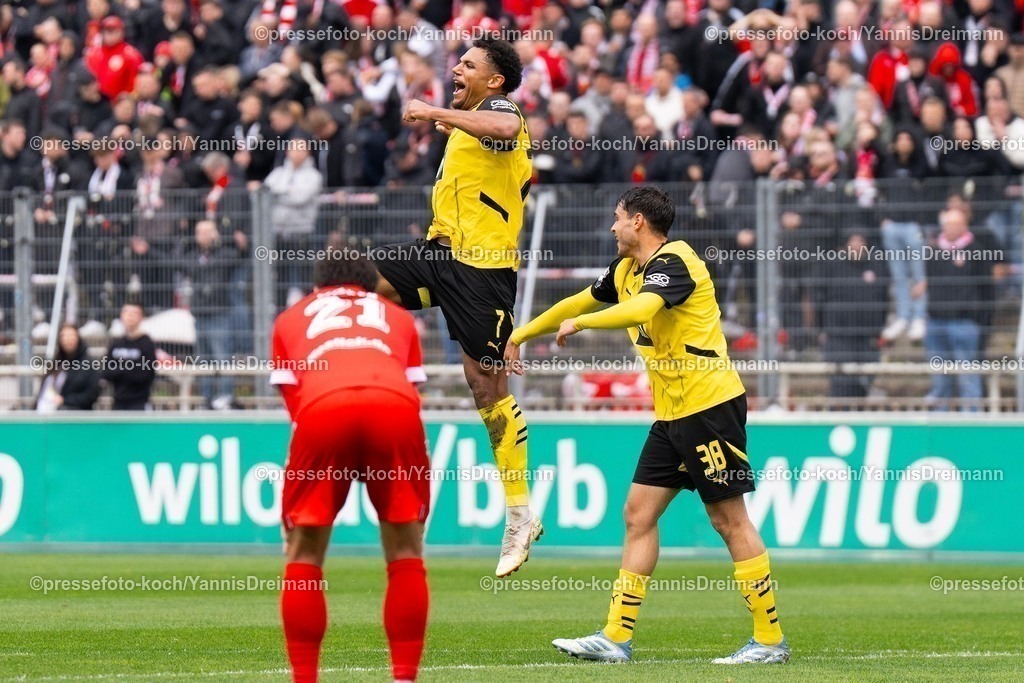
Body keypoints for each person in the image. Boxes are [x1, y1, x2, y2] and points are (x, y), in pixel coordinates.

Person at [505, 186, 789, 665]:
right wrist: (522, 333)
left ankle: (769, 640)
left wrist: (586, 325)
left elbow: (641, 309)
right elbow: (577, 302)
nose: (612, 227)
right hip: (672, 413)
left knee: (729, 519)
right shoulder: (624, 270)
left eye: (618, 218)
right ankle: (615, 638)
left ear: (638, 221)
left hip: (709, 406)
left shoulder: (676, 261)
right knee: (638, 514)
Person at [371, 36, 541, 577]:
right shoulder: (470, 125)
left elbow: (504, 130)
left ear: (495, 80)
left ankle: (520, 515)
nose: (457, 70)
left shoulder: (503, 111)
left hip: (483, 269)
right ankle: (381, 382)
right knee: (362, 280)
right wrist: (453, 123)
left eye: (469, 65)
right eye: (458, 62)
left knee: (485, 387)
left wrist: (433, 112)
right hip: (439, 253)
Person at [270, 252, 430, 683]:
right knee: (406, 550)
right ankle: (404, 677)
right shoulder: (398, 316)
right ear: (371, 285)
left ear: (317, 285)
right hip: (394, 406)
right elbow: (412, 389)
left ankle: (305, 678)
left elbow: (294, 402)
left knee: (304, 552)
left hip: (323, 409)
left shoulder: (290, 317)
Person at [101, 302, 157, 410]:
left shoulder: (146, 344)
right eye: (126, 312)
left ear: (141, 317)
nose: (130, 316)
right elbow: (106, 372)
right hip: (118, 401)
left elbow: (145, 374)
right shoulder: (116, 344)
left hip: (139, 402)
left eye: (134, 313)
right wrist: (129, 368)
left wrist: (120, 369)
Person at [35, 324, 101, 412]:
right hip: (45, 412)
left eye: (71, 336)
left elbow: (91, 395)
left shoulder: (89, 364)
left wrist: (65, 400)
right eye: (64, 336)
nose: (67, 340)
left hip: (74, 414)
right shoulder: (57, 363)